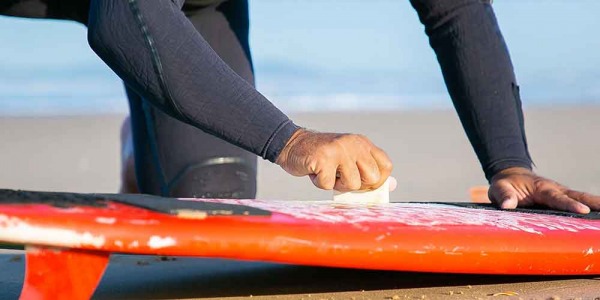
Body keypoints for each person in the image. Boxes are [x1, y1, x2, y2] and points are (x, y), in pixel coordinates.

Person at [2, 0, 599, 214]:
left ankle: (144, 144)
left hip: (190, 5)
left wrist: (510, 164)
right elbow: (124, 19)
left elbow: (456, 11)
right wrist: (290, 141)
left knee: (212, 218)